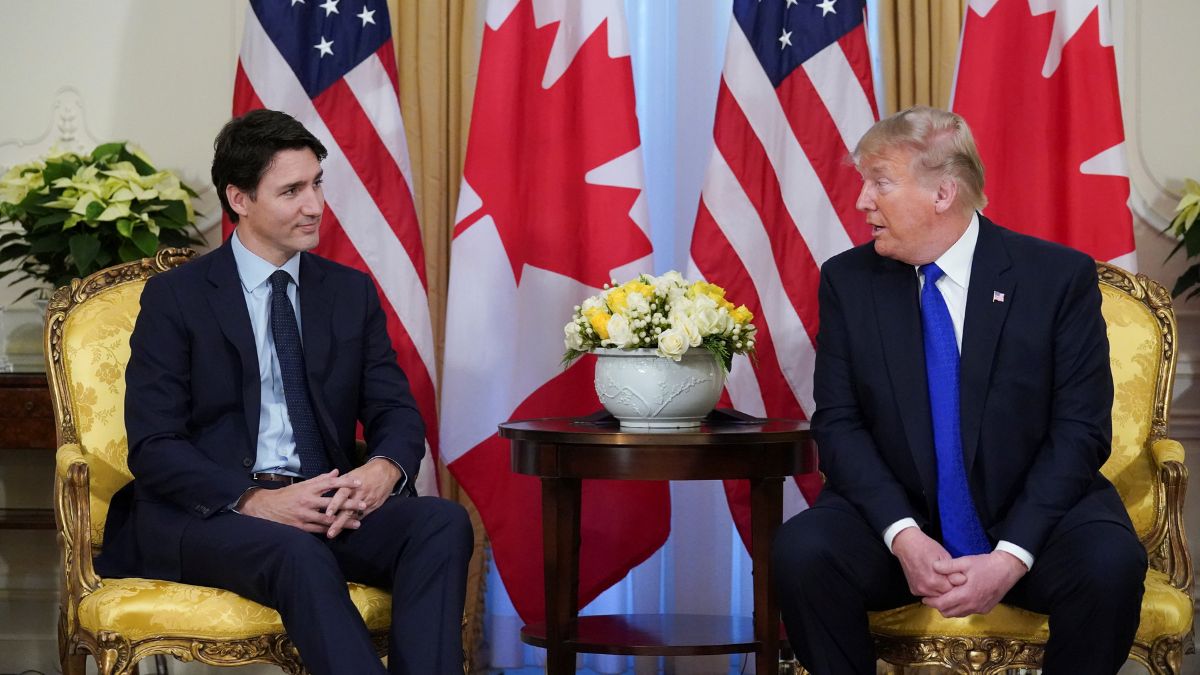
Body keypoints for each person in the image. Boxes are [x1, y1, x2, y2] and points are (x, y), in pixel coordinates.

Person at [96, 109, 473, 675]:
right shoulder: (177, 298)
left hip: (327, 503)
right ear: (240, 199)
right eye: (292, 190)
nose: (315, 205)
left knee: (441, 522)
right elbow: (154, 445)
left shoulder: (348, 292)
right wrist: (256, 501)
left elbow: (394, 408)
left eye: (317, 183)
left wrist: (382, 471)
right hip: (217, 514)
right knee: (295, 551)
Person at [772, 106, 1146, 674]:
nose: (861, 202)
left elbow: (1080, 431)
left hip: (1032, 518)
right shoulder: (849, 281)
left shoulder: (1055, 279)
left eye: (881, 183)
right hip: (901, 520)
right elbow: (840, 424)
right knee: (803, 553)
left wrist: (1011, 556)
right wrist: (904, 537)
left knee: (1109, 563)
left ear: (943, 193)